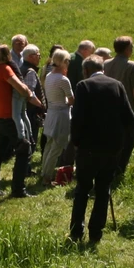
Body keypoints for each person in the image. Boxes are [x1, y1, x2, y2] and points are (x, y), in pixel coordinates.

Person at [68, 56, 134, 245]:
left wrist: (76, 141)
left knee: (82, 189)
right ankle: (96, 233)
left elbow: (78, 117)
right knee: (103, 189)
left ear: (85, 70)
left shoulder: (83, 86)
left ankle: (76, 232)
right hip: (112, 148)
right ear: (103, 69)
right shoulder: (117, 85)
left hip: (88, 147)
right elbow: (129, 118)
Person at [0, 42, 43, 198]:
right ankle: (18, 189)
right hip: (10, 116)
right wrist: (30, 95)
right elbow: (21, 88)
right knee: (24, 148)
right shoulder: (4, 69)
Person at [103, 35, 134, 183]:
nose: (132, 49)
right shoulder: (132, 66)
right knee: (127, 143)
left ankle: (108, 169)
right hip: (127, 111)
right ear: (127, 49)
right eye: (131, 46)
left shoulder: (105, 64)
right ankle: (118, 172)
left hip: (107, 110)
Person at [41, 47, 74, 185]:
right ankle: (47, 177)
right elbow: (71, 99)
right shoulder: (63, 79)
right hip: (61, 114)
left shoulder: (49, 76)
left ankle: (44, 172)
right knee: (56, 147)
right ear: (64, 62)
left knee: (49, 145)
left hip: (51, 113)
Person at [18, 44, 45, 154]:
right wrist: (41, 106)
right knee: (31, 139)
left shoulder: (21, 68)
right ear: (30, 57)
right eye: (38, 55)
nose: (39, 57)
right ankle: (26, 168)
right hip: (30, 111)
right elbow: (29, 94)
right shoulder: (30, 72)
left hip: (24, 109)